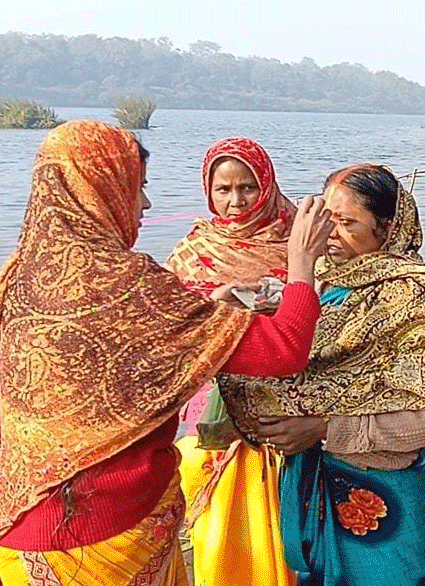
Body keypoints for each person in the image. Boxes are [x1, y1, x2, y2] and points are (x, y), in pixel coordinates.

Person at [0, 121, 333, 586]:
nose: (146, 204)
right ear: (100, 192)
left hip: (21, 515)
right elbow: (284, 348)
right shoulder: (130, 286)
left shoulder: (15, 278)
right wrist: (302, 263)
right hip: (110, 520)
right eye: (137, 187)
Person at [219, 165, 425, 585]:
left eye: (347, 222)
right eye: (326, 221)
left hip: (383, 497)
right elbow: (296, 365)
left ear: (386, 228)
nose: (330, 235)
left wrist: (323, 429)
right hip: (316, 484)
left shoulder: (413, 300)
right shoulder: (322, 288)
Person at [167, 138, 298, 586]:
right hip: (210, 407)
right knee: (217, 521)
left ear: (267, 185)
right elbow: (172, 327)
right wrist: (217, 307)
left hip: (283, 402)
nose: (236, 201)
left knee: (280, 518)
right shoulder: (194, 249)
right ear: (208, 191)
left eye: (248, 187)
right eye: (223, 189)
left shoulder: (296, 241)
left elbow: (322, 312)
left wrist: (283, 306)